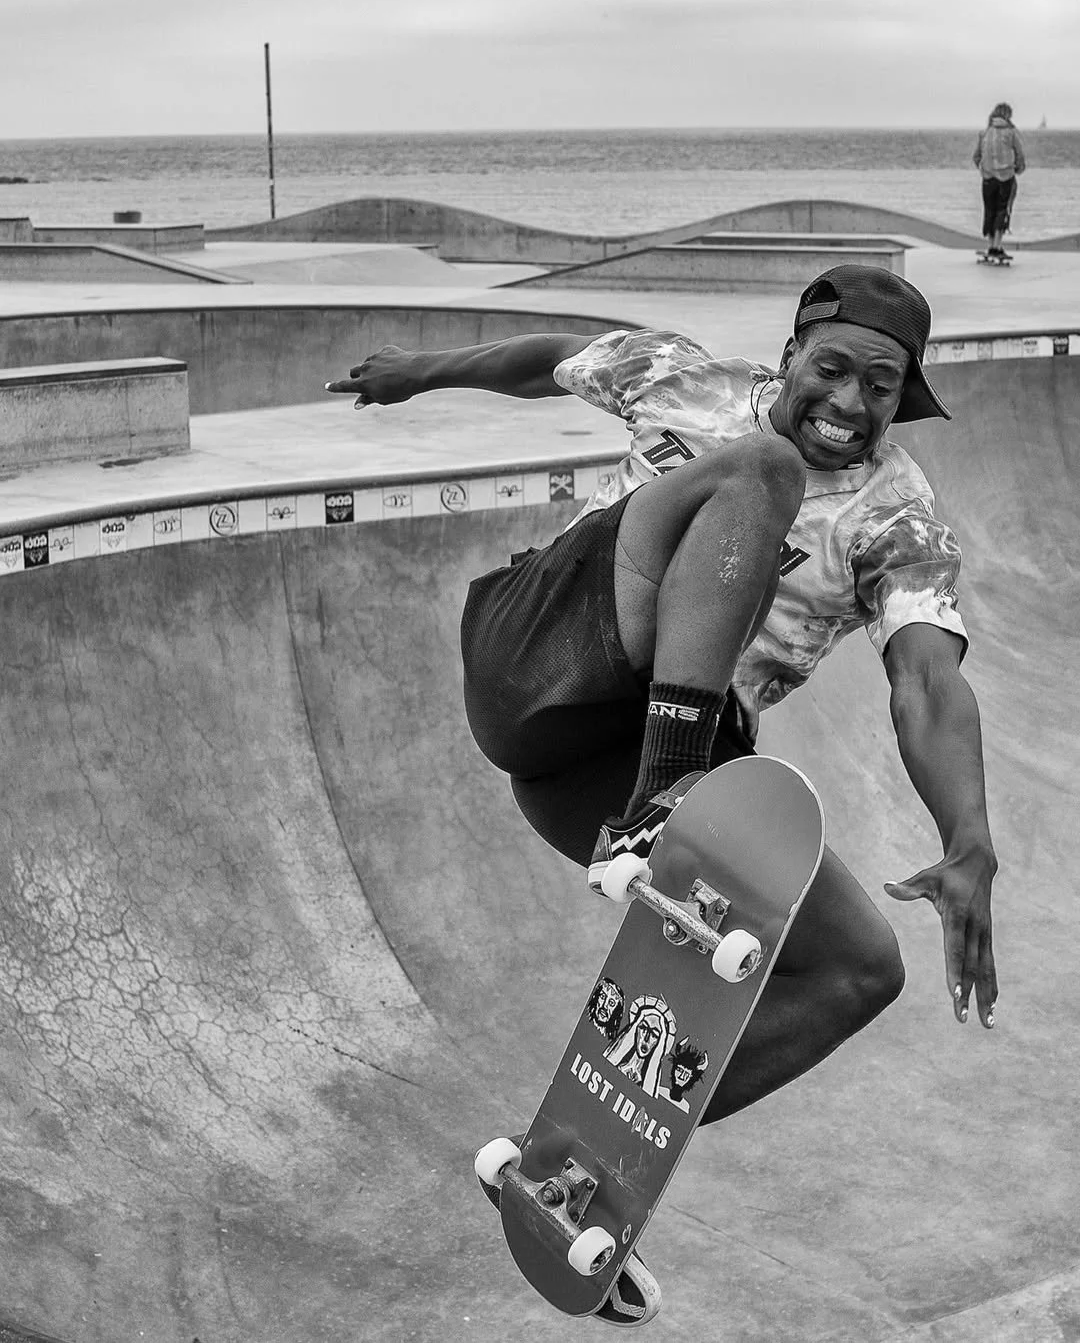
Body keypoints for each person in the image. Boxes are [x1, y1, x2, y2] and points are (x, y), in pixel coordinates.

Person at [326, 265, 999, 1327]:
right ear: (790, 356)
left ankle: (576, 1169)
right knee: (760, 472)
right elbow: (546, 359)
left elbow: (926, 676)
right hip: (545, 651)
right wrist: (419, 371)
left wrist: (969, 837)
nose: (852, 405)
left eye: (883, 385)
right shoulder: (682, 376)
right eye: (834, 370)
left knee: (861, 969)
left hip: (593, 780)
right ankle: (667, 785)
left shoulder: (898, 518)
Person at [974, 102, 1026, 257]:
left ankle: (990, 245)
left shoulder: (985, 132)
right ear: (1008, 115)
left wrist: (984, 169)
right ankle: (997, 246)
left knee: (989, 210)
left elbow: (976, 156)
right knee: (1002, 210)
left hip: (987, 178)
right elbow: (1020, 155)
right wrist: (1017, 168)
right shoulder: (1011, 133)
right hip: (1006, 177)